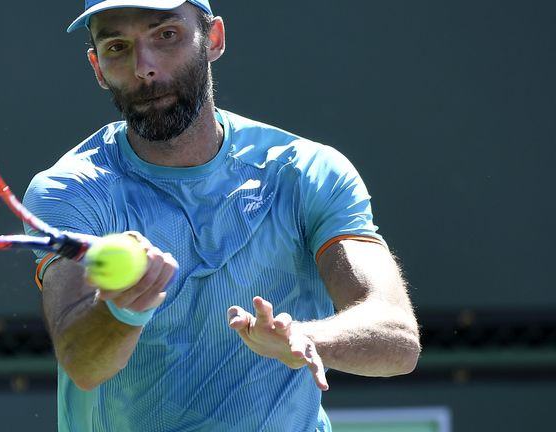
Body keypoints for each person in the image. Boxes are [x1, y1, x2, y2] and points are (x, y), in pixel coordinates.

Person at [22, 1, 421, 430]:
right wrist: (123, 311)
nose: (145, 67)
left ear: (213, 39)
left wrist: (307, 337)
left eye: (166, 35)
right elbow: (82, 361)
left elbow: (397, 337)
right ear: (98, 67)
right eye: (117, 47)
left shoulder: (307, 173)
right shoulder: (71, 190)